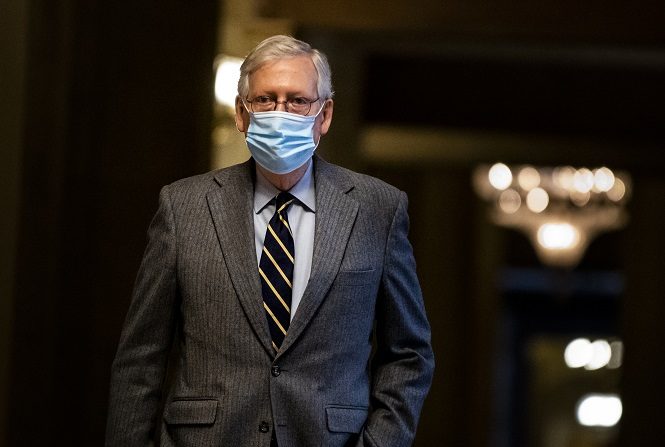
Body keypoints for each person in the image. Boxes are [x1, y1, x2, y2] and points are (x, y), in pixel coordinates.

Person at [106, 34, 434, 447]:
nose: (281, 113)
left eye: (297, 101)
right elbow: (141, 356)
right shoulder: (183, 207)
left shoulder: (377, 209)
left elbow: (409, 354)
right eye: (265, 100)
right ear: (241, 115)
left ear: (325, 114)